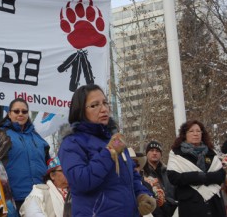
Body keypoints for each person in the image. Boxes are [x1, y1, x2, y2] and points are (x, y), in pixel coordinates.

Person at [58, 84, 156, 217]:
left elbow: (131, 176)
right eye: (94, 105)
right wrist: (109, 152)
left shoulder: (114, 139)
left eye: (105, 103)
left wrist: (142, 195)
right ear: (80, 110)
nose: (104, 109)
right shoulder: (72, 143)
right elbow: (81, 181)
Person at [0, 98, 50, 211]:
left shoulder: (38, 137)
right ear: (9, 114)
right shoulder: (0, 135)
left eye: (24, 111)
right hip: (14, 198)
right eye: (16, 111)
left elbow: (49, 165)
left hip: (40, 195)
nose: (20, 114)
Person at [167, 120, 226, 217]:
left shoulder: (211, 152)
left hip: (214, 203)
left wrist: (203, 177)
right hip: (190, 204)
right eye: (191, 131)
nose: (195, 134)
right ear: (184, 134)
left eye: (198, 131)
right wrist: (198, 176)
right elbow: (174, 177)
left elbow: (221, 175)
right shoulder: (176, 153)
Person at [143, 141, 177, 217]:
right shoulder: (142, 173)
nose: (154, 153)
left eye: (157, 151)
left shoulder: (169, 172)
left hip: (171, 211)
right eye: (151, 150)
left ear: (161, 154)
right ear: (147, 153)